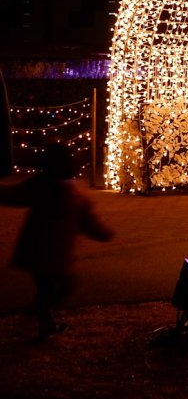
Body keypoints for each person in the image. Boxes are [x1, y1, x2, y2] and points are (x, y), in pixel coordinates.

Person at [0, 142, 114, 339]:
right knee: (63, 286)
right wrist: (105, 234)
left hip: (36, 251)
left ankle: (43, 320)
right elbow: (90, 223)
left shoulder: (40, 185)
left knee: (46, 287)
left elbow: (13, 195)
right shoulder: (74, 196)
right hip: (55, 257)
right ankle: (39, 315)